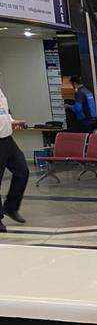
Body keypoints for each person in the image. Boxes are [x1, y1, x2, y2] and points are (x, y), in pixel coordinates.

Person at [0, 86, 28, 231]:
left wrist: (12, 121)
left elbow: (4, 112)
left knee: (22, 171)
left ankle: (11, 207)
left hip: (7, 140)